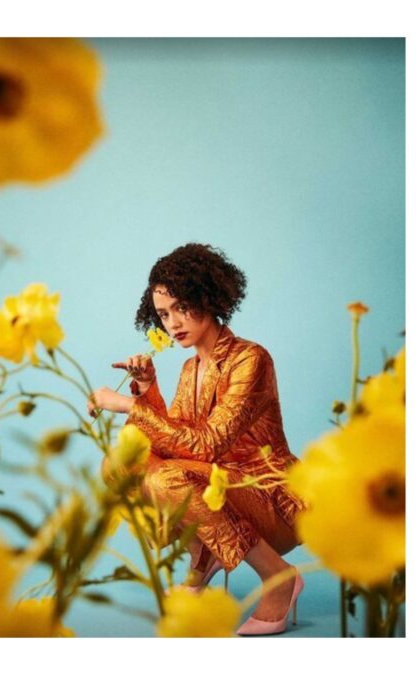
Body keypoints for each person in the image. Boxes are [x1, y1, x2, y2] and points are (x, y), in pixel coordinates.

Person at [88, 243, 305, 636]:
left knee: (167, 480)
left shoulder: (251, 359)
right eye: (163, 314)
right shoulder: (191, 369)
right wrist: (145, 390)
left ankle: (279, 576)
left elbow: (207, 445)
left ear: (208, 295)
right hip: (218, 488)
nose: (172, 323)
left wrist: (125, 406)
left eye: (181, 307)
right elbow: (172, 443)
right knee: (120, 463)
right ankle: (201, 564)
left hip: (269, 493)